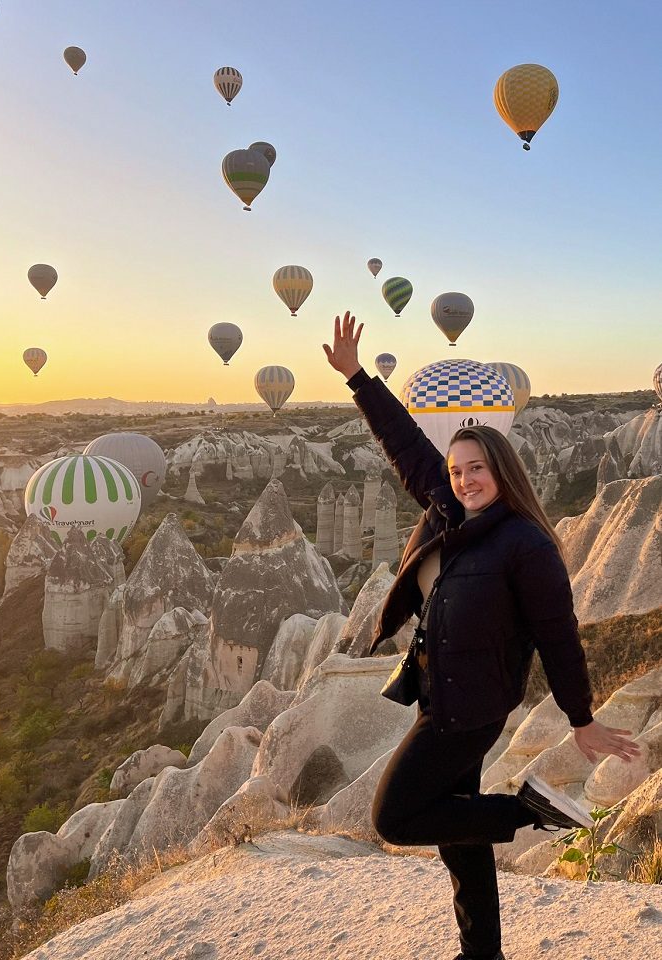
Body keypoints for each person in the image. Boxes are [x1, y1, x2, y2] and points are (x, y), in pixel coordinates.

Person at [323, 312, 641, 960]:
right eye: (458, 468)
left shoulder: (525, 545)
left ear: (502, 471)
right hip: (444, 695)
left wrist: (580, 718)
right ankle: (481, 952)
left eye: (477, 469)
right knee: (458, 840)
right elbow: (406, 445)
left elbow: (558, 637)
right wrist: (358, 378)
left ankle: (529, 810)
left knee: (394, 816)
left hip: (465, 713)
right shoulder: (447, 509)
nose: (465, 479)